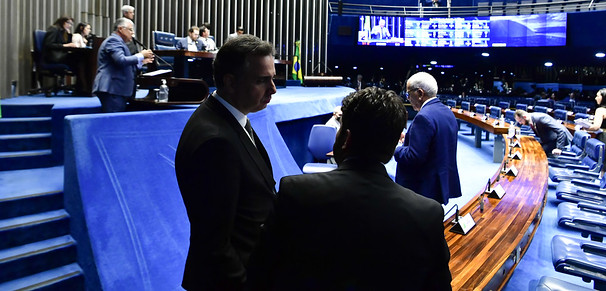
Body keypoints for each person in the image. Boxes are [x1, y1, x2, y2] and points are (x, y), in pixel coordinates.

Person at [249, 87, 452, 290]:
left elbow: (260, 272)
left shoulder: (295, 192)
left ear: (346, 138)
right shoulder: (427, 214)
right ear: (392, 147)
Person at [175, 35, 277, 290]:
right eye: (262, 80)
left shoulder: (229, 118)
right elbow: (214, 243)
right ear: (230, 82)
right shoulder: (216, 142)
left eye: (273, 78)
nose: (273, 89)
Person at [394, 72, 461, 205]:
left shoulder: (423, 117)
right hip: (439, 182)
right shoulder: (446, 111)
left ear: (420, 93)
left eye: (408, 94)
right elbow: (436, 141)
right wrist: (410, 138)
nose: (408, 98)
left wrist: (395, 148)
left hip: (423, 188)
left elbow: (413, 157)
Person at [92, 18, 154, 112]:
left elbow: (121, 64)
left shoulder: (120, 43)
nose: (133, 33)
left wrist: (140, 62)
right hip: (112, 88)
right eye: (130, 30)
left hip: (117, 89)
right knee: (114, 118)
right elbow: (120, 60)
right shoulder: (113, 40)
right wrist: (141, 55)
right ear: (120, 29)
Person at [578, 88, 606, 169]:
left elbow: (596, 127)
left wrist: (584, 127)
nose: (596, 98)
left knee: (604, 165)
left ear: (604, 97)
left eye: (598, 96)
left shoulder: (600, 110)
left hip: (605, 139)